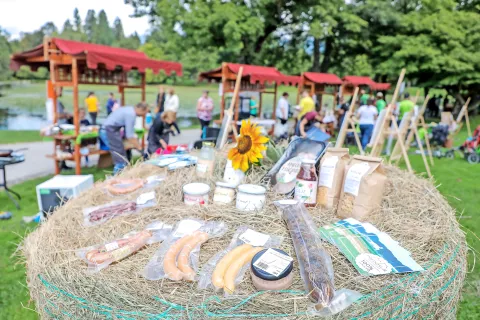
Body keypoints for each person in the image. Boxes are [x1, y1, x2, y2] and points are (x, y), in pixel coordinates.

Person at [101, 102, 149, 174]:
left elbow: (128, 134)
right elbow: (130, 136)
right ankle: (116, 180)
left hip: (109, 130)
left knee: (122, 156)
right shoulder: (131, 114)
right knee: (120, 158)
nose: (144, 115)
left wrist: (137, 146)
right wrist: (140, 149)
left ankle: (122, 177)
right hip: (109, 131)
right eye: (144, 112)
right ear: (141, 109)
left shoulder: (129, 109)